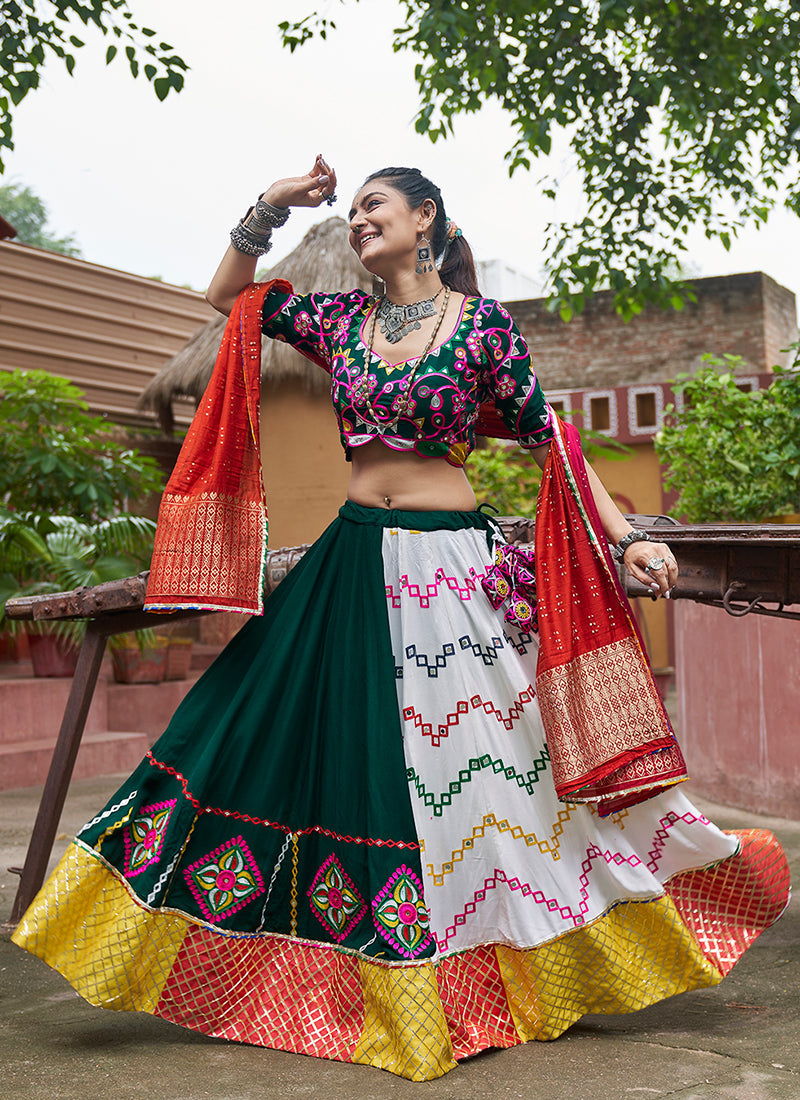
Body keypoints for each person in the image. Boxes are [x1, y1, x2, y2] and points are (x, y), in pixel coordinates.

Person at [13, 157, 789, 1083]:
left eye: (373, 206)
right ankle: (339, 972)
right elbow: (231, 296)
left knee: (495, 773)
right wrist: (269, 206)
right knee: (262, 729)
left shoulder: (483, 329)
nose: (356, 220)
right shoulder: (339, 321)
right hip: (350, 559)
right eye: (351, 211)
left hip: (452, 566)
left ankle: (527, 962)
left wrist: (626, 540)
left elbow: (554, 442)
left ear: (426, 219)